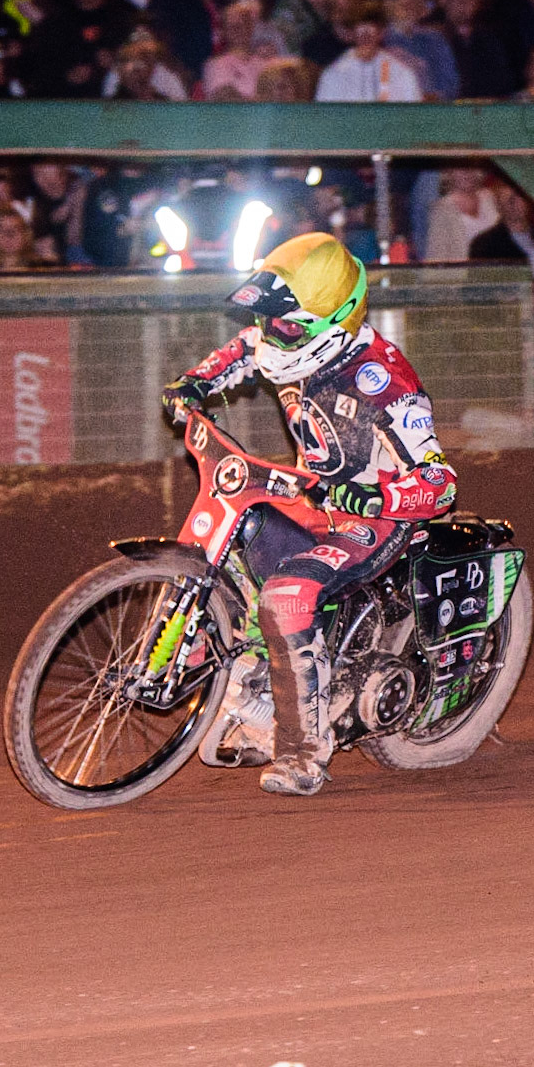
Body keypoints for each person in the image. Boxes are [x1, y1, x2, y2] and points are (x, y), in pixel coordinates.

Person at [160, 233, 458, 797]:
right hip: (315, 502)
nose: (271, 335)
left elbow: (440, 484)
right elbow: (245, 347)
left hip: (376, 522)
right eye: (271, 321)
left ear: (335, 319)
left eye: (287, 327)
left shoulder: (385, 383)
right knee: (239, 530)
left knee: (287, 594)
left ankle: (302, 753)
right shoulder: (286, 338)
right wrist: (195, 382)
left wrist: (378, 499)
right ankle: (254, 684)